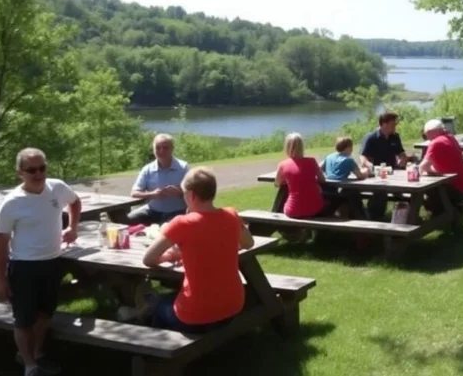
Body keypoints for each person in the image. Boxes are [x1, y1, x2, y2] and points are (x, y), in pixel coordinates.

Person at [0, 148, 80, 376]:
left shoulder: (57, 188)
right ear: (19, 173)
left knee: (45, 315)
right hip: (24, 266)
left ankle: (35, 354)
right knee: (24, 320)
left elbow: (75, 201)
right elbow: (0, 242)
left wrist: (72, 227)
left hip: (52, 262)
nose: (38, 173)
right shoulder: (12, 203)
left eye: (42, 167)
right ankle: (30, 367)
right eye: (31, 170)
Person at [142, 167, 255, 334]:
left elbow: (148, 259)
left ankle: (156, 355)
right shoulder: (231, 215)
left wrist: (169, 256)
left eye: (184, 193)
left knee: (159, 305)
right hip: (233, 306)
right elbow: (249, 243)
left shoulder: (182, 223)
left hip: (195, 315)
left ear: (191, 195)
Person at [128, 133, 189, 225]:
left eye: (165, 148)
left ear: (172, 149)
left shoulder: (183, 167)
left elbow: (194, 193)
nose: (161, 151)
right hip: (152, 211)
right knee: (125, 220)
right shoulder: (148, 169)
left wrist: (179, 192)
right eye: (158, 148)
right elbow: (134, 193)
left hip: (177, 213)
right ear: (153, 149)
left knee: (165, 229)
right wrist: (152, 194)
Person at [271, 133, 336, 219]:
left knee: (284, 200)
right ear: (302, 147)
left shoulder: (283, 165)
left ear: (286, 147)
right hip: (315, 208)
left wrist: (287, 180)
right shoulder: (312, 161)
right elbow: (322, 179)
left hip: (293, 210)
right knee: (330, 201)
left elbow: (277, 184)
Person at [359, 112, 410, 221]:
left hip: (393, 171)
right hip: (377, 172)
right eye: (393, 124)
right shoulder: (371, 137)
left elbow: (401, 154)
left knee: (409, 190)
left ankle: (406, 216)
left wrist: (403, 160)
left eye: (396, 123)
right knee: (381, 192)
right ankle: (374, 218)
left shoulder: (395, 136)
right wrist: (370, 166)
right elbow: (362, 158)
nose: (395, 126)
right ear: (383, 124)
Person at [419, 119, 463, 218]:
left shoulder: (436, 143)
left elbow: (422, 168)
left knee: (425, 191)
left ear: (432, 132)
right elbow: (446, 167)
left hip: (455, 189)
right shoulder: (451, 138)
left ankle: (442, 217)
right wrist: (433, 170)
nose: (427, 137)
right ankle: (442, 214)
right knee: (434, 190)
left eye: (426, 134)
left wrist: (428, 170)